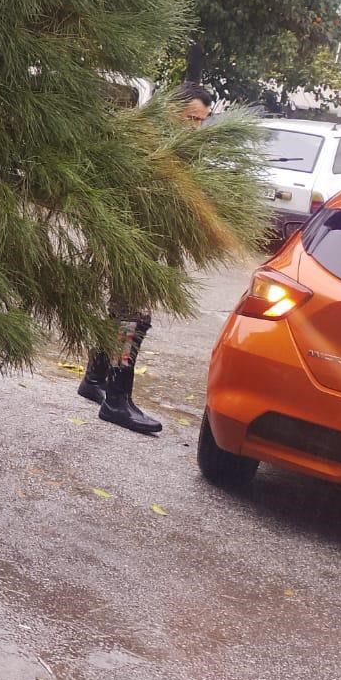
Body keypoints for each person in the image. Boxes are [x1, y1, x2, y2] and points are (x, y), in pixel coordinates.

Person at [77, 83, 215, 434]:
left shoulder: (177, 149)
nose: (195, 128)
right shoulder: (145, 142)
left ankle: (94, 379)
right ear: (171, 110)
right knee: (132, 319)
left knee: (123, 314)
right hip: (129, 241)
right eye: (191, 119)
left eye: (202, 121)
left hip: (145, 242)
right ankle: (117, 399)